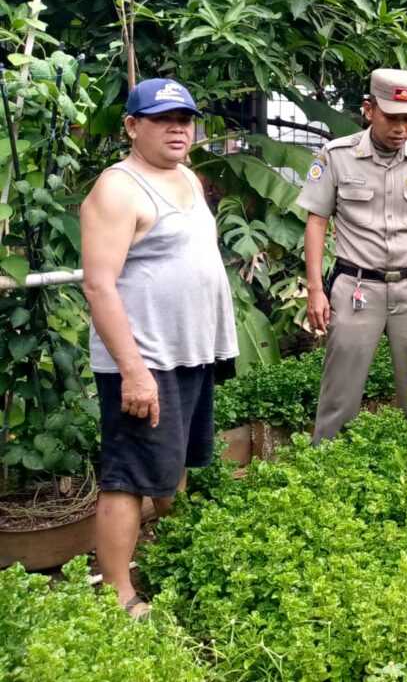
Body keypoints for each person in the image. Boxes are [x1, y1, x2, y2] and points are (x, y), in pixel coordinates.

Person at [81, 78, 238, 618]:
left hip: (188, 354)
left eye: (185, 119)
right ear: (132, 126)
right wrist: (134, 371)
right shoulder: (118, 189)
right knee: (127, 477)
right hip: (144, 360)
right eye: (163, 119)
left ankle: (172, 558)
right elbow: (99, 285)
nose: (178, 129)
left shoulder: (187, 177)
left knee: (176, 463)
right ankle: (118, 594)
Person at [297, 68, 407, 442]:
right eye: (392, 117)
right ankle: (326, 461)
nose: (401, 128)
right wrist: (315, 290)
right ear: (369, 110)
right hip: (357, 288)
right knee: (341, 389)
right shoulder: (337, 157)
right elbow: (316, 222)